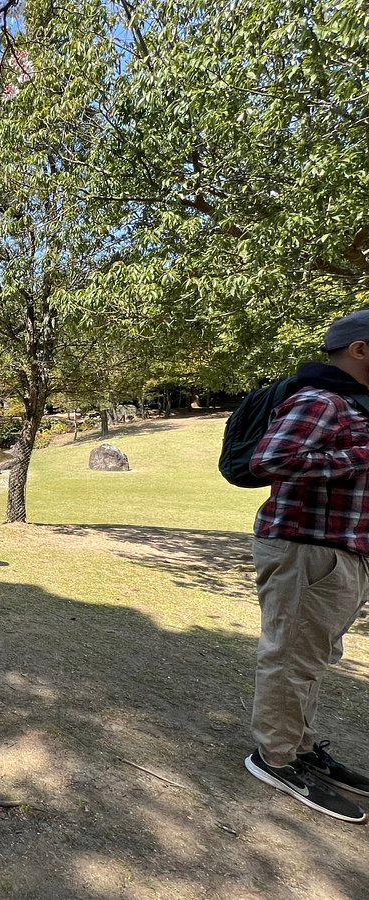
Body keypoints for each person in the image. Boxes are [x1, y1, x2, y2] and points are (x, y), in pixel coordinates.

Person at [245, 309, 369, 823]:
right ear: (360, 348)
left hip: (339, 553)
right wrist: (361, 456)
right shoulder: (322, 400)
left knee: (313, 658)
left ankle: (299, 746)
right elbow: (268, 459)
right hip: (307, 549)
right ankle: (274, 758)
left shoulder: (352, 405)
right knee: (291, 657)